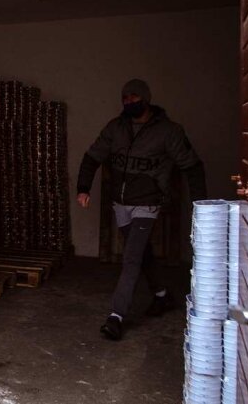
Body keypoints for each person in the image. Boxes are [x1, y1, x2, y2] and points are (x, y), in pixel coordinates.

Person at [76, 79, 206, 341]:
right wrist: (83, 188)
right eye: (125, 98)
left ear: (146, 99)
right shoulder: (116, 128)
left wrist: (200, 205)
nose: (128, 102)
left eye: (134, 98)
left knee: (132, 257)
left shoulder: (168, 131)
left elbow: (192, 166)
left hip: (148, 202)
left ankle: (116, 316)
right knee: (141, 253)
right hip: (121, 204)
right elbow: (92, 157)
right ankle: (161, 295)